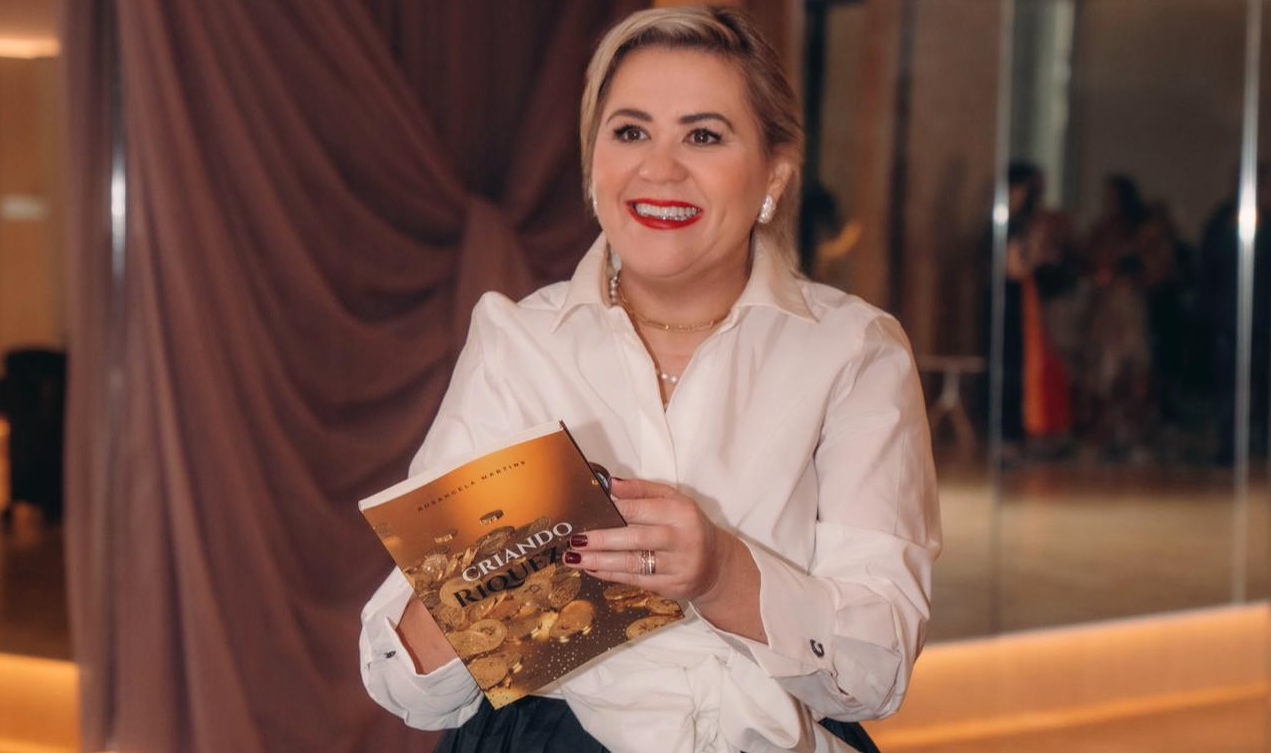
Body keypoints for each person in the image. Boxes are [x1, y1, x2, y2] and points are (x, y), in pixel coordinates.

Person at [358, 7, 941, 753]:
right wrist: (484, 585)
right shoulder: (518, 342)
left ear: (774, 174)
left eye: (703, 135)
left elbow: (877, 670)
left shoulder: (854, 351)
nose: (659, 168)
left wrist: (723, 573)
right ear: (592, 164)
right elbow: (400, 680)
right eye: (630, 132)